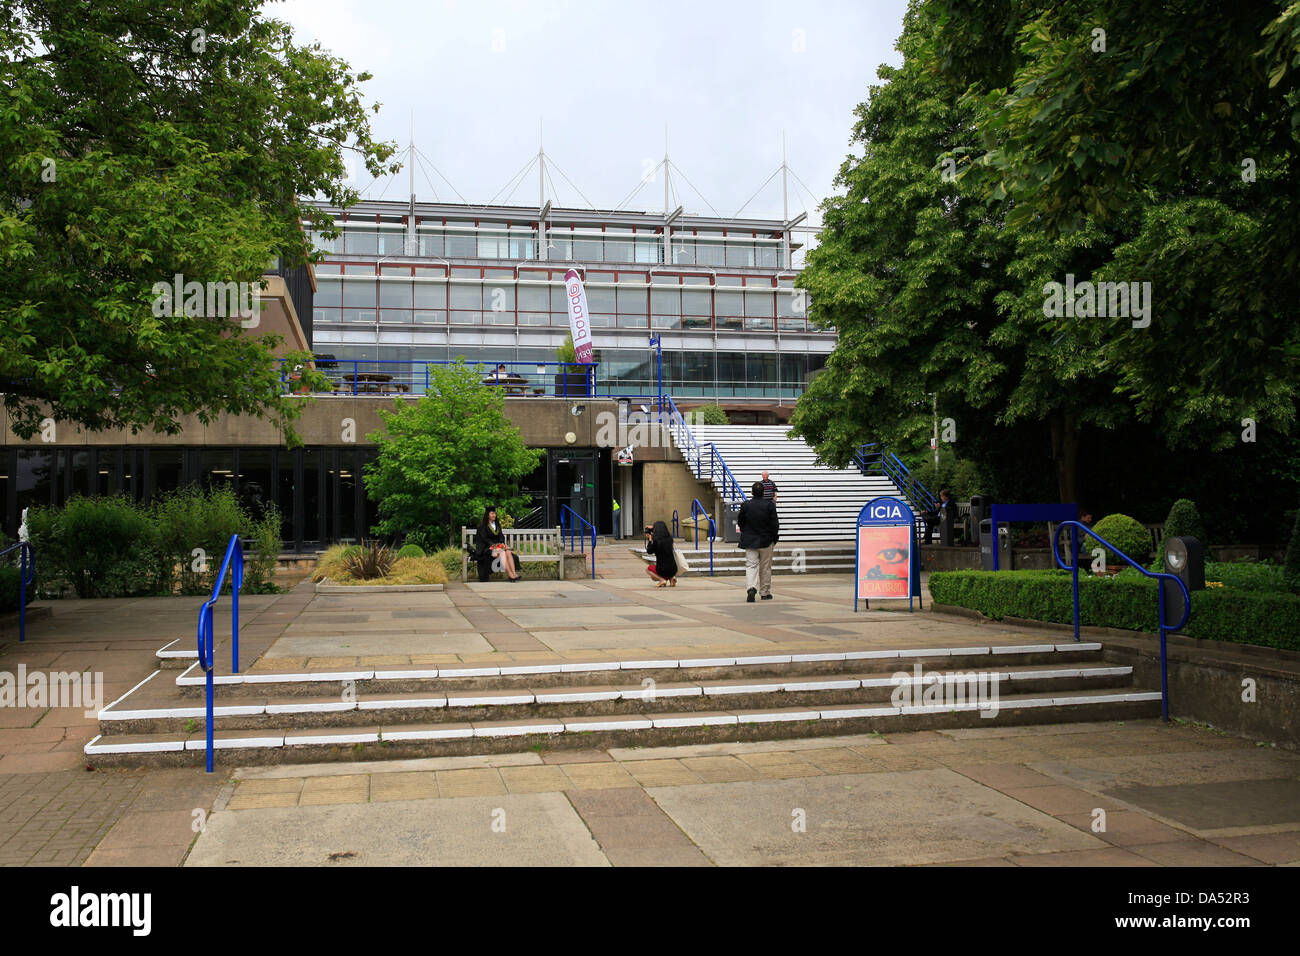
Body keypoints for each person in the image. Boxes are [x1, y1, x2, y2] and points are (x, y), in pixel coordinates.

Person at [737, 480, 779, 602]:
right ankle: (765, 592)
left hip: (750, 540)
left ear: (752, 492)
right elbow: (775, 524)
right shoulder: (770, 505)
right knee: (765, 567)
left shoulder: (746, 505)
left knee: (751, 565)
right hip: (766, 540)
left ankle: (751, 588)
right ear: (764, 492)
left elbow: (741, 521)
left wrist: (746, 532)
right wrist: (774, 537)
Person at [474, 505, 521, 582]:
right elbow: (485, 540)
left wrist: (503, 544)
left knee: (508, 552)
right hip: (487, 549)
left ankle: (514, 573)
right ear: (487, 515)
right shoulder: (482, 526)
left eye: (495, 514)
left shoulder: (497, 525)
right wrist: (496, 546)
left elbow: (501, 536)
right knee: (502, 553)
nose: (494, 515)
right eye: (492, 513)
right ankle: (510, 575)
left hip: (497, 548)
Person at [644, 520, 678, 587]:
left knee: (648, 569)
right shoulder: (669, 539)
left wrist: (650, 539)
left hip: (662, 569)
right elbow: (660, 528)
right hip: (674, 569)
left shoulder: (656, 541)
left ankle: (662, 580)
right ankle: (672, 578)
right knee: (668, 569)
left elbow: (649, 551)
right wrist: (652, 527)